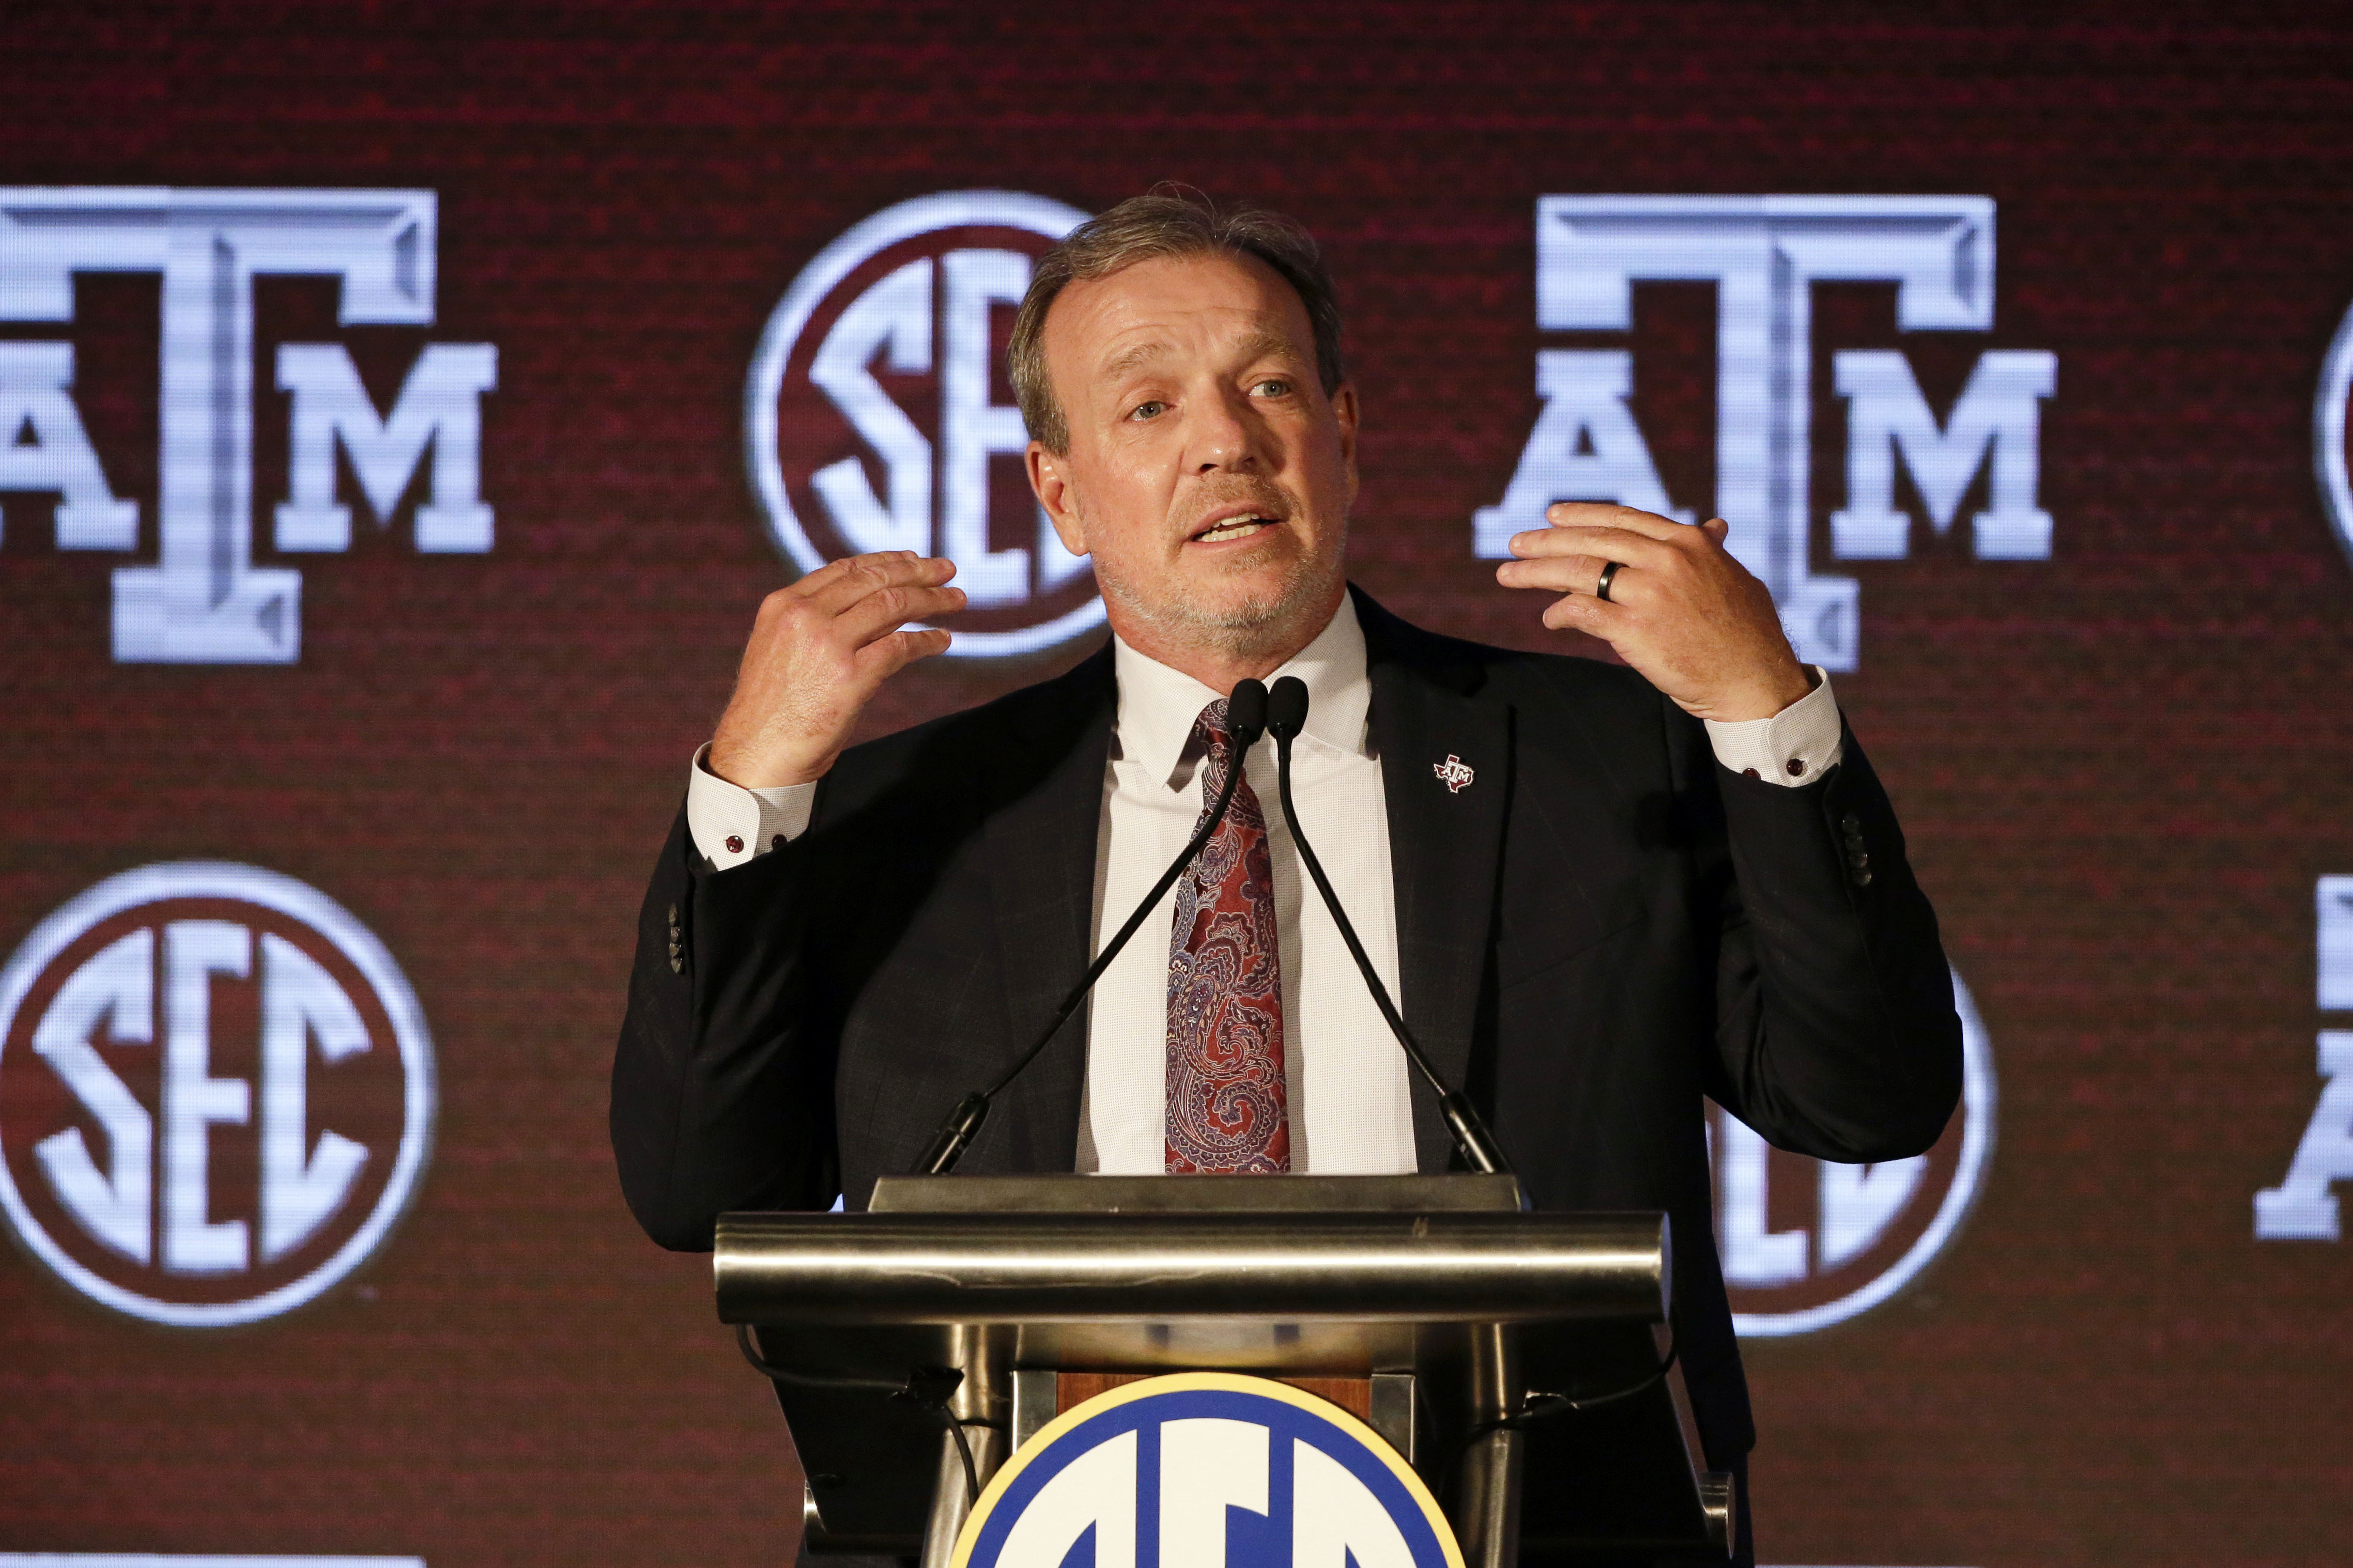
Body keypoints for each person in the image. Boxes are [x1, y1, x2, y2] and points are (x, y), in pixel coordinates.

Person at [611, 191, 1961, 1565]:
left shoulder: (1603, 758)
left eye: (1268, 385)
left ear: (1345, 433)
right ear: (1059, 491)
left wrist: (1763, 714)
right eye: (1146, 408)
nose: (1223, 441)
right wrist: (750, 785)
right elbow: (694, 1183)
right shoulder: (909, 813)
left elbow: (1869, 1093)